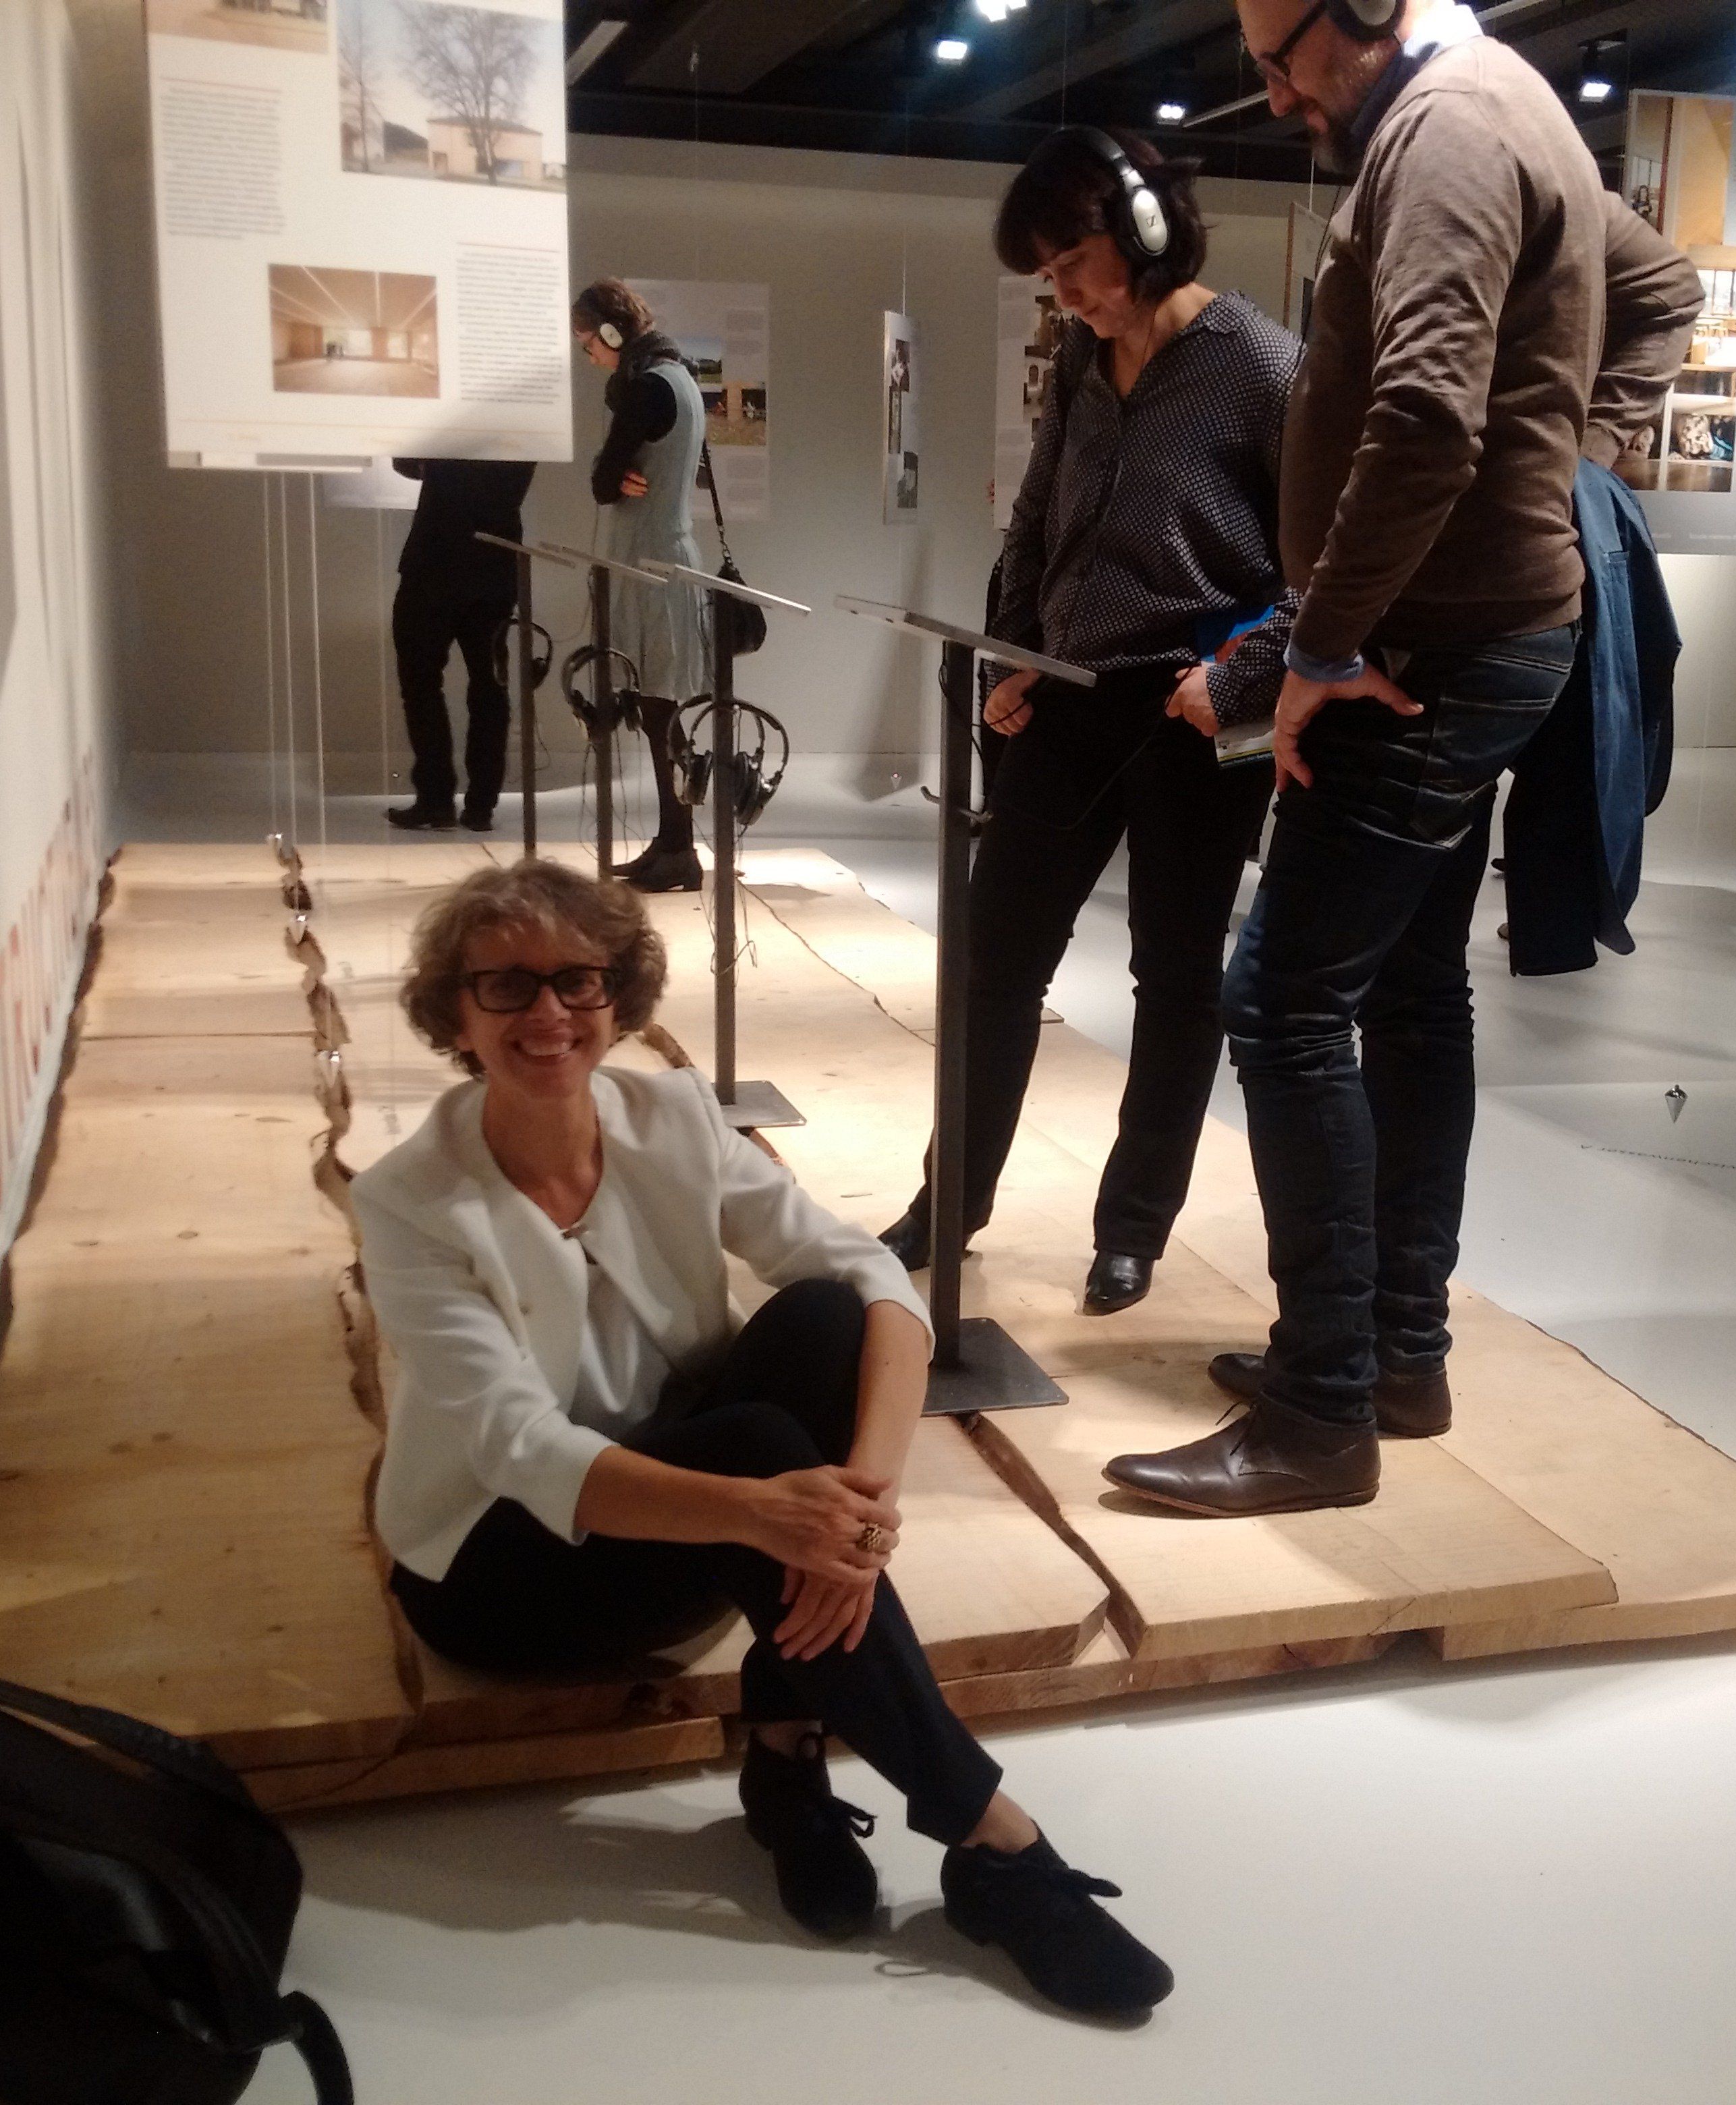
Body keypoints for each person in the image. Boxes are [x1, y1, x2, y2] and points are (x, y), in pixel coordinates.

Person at [352, 860, 1171, 2017]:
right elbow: (519, 1447)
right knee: (753, 1445)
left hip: (687, 1523)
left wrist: (858, 1514)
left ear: (619, 995)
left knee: (827, 1322)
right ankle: (994, 1837)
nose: (550, 1012)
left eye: (580, 980)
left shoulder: (671, 1117)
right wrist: (763, 1512)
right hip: (505, 1573)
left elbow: (870, 1272)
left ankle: (784, 1755)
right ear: (455, 1014)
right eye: (507, 986)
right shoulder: (410, 1200)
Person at [1106, 0, 1698, 1516]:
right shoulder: (1500, 100)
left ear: (1362, 9)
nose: (1271, 91)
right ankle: (1394, 1355)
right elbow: (1661, 287)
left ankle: (1321, 1415)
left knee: (1284, 1002)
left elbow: (1427, 420)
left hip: (1422, 652)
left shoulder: (1444, 130)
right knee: (1413, 993)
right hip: (1462, 630)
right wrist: (1577, 464)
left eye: (1280, 53)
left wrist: (1316, 649)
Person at [878, 126, 1298, 1318]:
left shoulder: (1266, 369)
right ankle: (948, 1204)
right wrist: (1016, 649)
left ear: (1146, 231)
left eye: (1071, 264)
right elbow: (1036, 518)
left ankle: (1134, 1230)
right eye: (1047, 273)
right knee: (993, 963)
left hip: (1193, 710)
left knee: (1176, 977)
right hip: (1067, 698)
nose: (1060, 293)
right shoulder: (1078, 357)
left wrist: (1241, 680)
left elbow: (1325, 570)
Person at [571, 281, 711, 893]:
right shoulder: (678, 377)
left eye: (589, 345)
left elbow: (604, 481)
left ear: (610, 333)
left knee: (660, 710)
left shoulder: (647, 387)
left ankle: (679, 849)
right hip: (664, 556)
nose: (590, 358)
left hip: (649, 565)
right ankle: (673, 842)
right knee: (660, 710)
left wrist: (612, 471)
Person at [385, 456, 536, 833]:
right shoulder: (519, 430)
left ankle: (437, 799)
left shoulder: (452, 427)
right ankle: (481, 804)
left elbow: (405, 461)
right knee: (489, 685)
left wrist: (435, 466)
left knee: (422, 683)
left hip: (435, 555)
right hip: (495, 558)